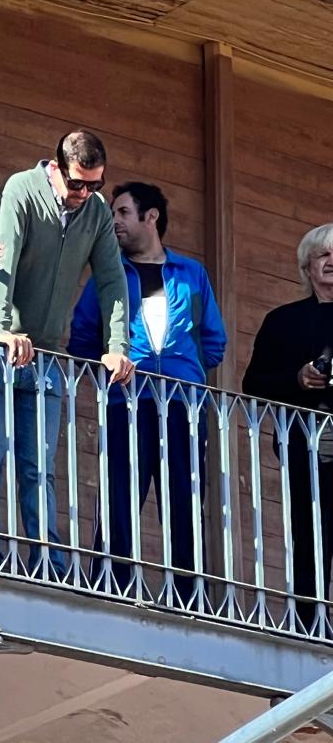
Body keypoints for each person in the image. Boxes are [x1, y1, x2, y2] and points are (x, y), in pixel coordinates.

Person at [0, 129, 134, 573]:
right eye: (77, 184)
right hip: (0, 349)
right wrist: (5, 328)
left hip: (47, 355)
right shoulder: (20, 190)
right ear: (55, 169)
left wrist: (117, 346)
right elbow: (0, 261)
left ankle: (49, 559)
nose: (84, 194)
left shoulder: (97, 212)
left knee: (40, 467)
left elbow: (111, 280)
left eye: (95, 185)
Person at [70, 181, 226, 602]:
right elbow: (83, 336)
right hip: (127, 400)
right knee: (120, 493)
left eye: (122, 213)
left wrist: (183, 370)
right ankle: (110, 585)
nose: (115, 221)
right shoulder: (110, 273)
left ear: (150, 216)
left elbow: (214, 342)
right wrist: (107, 371)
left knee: (184, 498)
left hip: (182, 406)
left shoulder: (191, 273)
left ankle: (188, 594)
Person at [242, 222, 333, 630]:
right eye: (323, 255)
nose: (331, 263)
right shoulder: (282, 321)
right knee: (311, 532)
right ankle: (309, 620)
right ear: (307, 266)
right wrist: (298, 379)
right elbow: (254, 384)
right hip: (304, 442)